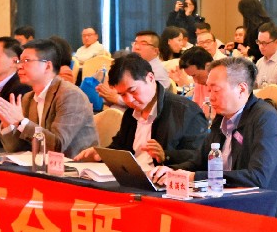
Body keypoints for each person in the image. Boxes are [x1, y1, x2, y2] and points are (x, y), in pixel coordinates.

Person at [198, 57, 277, 218]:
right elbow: (198, 162)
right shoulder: (222, 117)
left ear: (241, 89)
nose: (210, 97)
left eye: (216, 90)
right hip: (233, 204)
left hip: (271, 212)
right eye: (209, 90)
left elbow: (257, 178)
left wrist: (196, 177)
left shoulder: (265, 119)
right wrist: (171, 172)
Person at [79, 52, 208, 170]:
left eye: (133, 91)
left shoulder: (186, 111)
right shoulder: (131, 113)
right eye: (122, 95)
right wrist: (102, 154)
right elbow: (120, 148)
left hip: (162, 181)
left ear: (150, 78)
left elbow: (200, 157)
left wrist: (166, 155)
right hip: (132, 178)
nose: (129, 100)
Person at [0, 40, 96, 157]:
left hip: (75, 165)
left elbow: (57, 146)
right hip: (40, 164)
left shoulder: (71, 95)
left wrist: (21, 122)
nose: (19, 66)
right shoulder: (28, 98)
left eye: (26, 61)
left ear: (47, 66)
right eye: (19, 61)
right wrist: (8, 124)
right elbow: (18, 149)